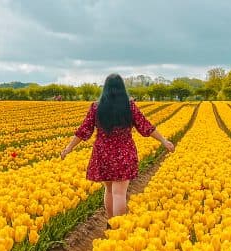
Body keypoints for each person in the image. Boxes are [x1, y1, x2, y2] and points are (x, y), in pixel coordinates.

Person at [60, 74, 175, 220]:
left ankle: (111, 223)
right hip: (124, 153)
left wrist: (69, 148)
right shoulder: (129, 107)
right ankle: (119, 228)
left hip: (103, 154)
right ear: (122, 89)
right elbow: (145, 126)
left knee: (109, 191)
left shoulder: (96, 107)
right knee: (119, 193)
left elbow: (84, 130)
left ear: (105, 89)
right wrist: (164, 141)